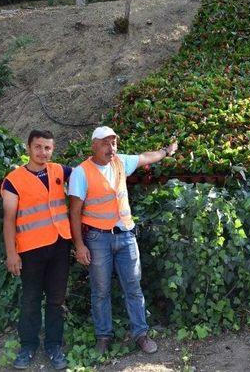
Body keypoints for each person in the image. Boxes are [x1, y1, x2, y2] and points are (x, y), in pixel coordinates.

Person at [68, 126, 178, 355]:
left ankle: (141, 334)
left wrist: (166, 151)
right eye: (106, 143)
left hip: (126, 235)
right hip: (98, 239)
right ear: (94, 145)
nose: (111, 148)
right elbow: (74, 212)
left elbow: (146, 157)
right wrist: (79, 245)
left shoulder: (120, 162)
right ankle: (103, 337)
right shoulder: (81, 172)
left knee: (133, 287)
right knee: (100, 291)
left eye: (114, 143)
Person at [1, 130, 73, 370]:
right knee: (30, 300)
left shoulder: (59, 171)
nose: (43, 152)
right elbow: (9, 219)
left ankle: (54, 345)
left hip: (59, 246)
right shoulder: (14, 180)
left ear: (53, 150)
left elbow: (88, 176)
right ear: (29, 148)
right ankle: (28, 345)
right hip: (31, 250)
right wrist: (12, 253)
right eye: (39, 147)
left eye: (48, 148)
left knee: (56, 299)